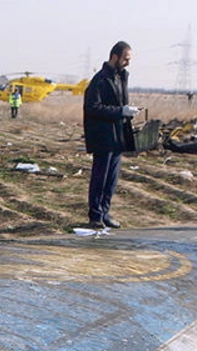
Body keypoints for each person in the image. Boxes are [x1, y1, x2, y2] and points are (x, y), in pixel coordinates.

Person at [83, 41, 140, 229]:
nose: (127, 63)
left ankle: (105, 212)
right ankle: (95, 215)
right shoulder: (100, 80)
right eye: (125, 59)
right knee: (100, 177)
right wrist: (120, 111)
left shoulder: (121, 77)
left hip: (118, 136)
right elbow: (93, 108)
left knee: (112, 179)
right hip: (103, 137)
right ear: (115, 57)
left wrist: (127, 113)